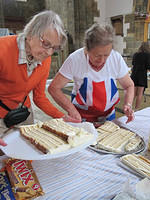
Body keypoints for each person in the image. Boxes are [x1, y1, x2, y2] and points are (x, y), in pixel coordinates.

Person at [0, 10, 79, 147]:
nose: (49, 52)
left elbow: (39, 97)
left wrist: (62, 117)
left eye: (55, 48)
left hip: (24, 113)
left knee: (26, 150)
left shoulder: (44, 58)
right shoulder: (2, 49)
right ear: (30, 34)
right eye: (46, 44)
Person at [48, 23, 135, 124]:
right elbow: (53, 88)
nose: (102, 60)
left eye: (106, 55)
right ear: (87, 50)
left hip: (108, 115)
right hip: (81, 116)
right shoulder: (75, 59)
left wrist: (128, 104)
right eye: (97, 55)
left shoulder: (116, 58)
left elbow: (129, 85)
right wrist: (72, 110)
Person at [131, 42, 150, 110]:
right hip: (142, 76)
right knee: (140, 94)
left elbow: (133, 64)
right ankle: (136, 109)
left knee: (133, 94)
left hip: (134, 75)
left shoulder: (136, 54)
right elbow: (148, 66)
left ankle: (128, 107)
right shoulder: (147, 55)